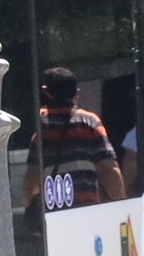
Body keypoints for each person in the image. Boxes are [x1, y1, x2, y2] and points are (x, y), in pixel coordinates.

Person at [30, 66, 125, 209]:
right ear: (77, 92)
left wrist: (30, 208)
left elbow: (32, 175)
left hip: (53, 213)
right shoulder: (90, 122)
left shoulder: (41, 125)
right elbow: (109, 169)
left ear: (46, 92)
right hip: (86, 209)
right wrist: (122, 206)